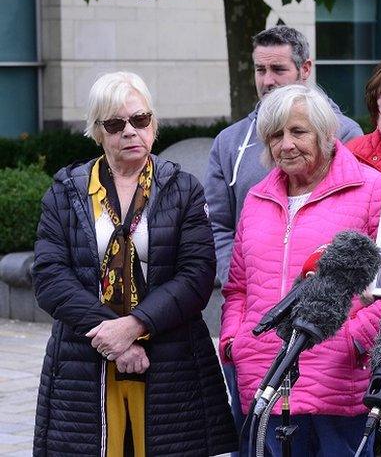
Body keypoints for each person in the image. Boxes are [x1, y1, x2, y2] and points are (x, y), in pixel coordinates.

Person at [32, 72, 237, 456]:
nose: (130, 132)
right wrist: (114, 339)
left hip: (171, 360)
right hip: (84, 362)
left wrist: (134, 326)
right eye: (115, 124)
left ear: (153, 124)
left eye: (140, 120)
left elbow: (196, 275)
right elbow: (49, 277)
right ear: (97, 132)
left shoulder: (183, 188)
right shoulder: (64, 191)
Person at [219, 84, 381, 456]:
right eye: (276, 135)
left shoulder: (373, 189)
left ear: (326, 134)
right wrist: (235, 341)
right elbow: (238, 288)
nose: (286, 144)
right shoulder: (257, 198)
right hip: (263, 382)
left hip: (337, 385)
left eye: (298, 131)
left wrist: (353, 340)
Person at [205, 25, 363, 285]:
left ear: (305, 69)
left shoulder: (344, 133)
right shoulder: (228, 142)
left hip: (321, 299)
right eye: (260, 70)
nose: (267, 81)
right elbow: (218, 225)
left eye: (278, 69)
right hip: (252, 298)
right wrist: (235, 281)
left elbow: (357, 220)